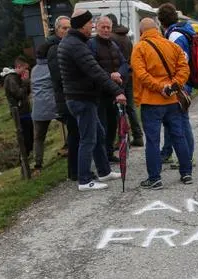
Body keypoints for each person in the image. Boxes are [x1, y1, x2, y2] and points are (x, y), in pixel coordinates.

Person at [58, 9, 126, 191]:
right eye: (90, 24)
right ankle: (84, 179)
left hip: (82, 96)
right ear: (82, 25)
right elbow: (94, 71)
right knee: (88, 139)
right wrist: (117, 91)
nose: (93, 27)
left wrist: (110, 81)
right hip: (81, 98)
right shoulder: (76, 45)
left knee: (99, 134)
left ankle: (103, 171)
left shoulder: (75, 42)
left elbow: (95, 69)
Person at [131, 17, 192, 189]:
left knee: (152, 140)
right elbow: (184, 67)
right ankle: (186, 173)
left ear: (142, 31)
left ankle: (155, 178)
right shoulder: (172, 46)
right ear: (157, 29)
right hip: (172, 101)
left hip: (151, 102)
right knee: (178, 136)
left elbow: (141, 74)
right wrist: (174, 85)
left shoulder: (139, 48)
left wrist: (159, 87)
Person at [156, 3, 195, 170]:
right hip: (185, 82)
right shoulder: (183, 30)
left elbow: (180, 62)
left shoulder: (174, 36)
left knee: (182, 121)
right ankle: (170, 152)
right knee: (174, 120)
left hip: (179, 85)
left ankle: (187, 157)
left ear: (161, 21)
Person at [89, 16, 129, 163]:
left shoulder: (113, 44)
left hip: (114, 92)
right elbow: (92, 67)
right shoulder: (91, 45)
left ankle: (109, 152)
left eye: (108, 27)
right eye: (103, 27)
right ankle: (102, 156)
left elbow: (125, 63)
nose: (106, 30)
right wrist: (110, 75)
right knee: (102, 125)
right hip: (99, 92)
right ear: (96, 27)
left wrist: (119, 73)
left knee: (113, 125)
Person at [46, 16, 79, 181]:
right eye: (63, 28)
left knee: (78, 133)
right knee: (75, 134)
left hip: (71, 95)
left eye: (69, 28)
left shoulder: (68, 46)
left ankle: (77, 169)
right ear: (57, 30)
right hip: (65, 98)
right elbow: (58, 77)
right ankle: (74, 171)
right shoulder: (54, 49)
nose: (66, 31)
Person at [107, 13, 144, 147]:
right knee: (131, 108)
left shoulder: (111, 38)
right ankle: (138, 136)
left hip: (118, 76)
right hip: (129, 74)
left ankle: (123, 138)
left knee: (118, 108)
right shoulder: (126, 37)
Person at [30, 43, 57, 174]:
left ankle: (38, 164)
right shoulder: (52, 67)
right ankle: (70, 148)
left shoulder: (34, 69)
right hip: (54, 105)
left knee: (39, 138)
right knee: (73, 127)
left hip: (38, 108)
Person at [2, 56, 33, 158]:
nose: (26, 71)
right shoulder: (11, 78)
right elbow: (19, 94)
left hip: (25, 110)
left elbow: (26, 93)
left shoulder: (17, 78)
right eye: (25, 69)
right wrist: (25, 82)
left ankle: (27, 156)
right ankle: (24, 158)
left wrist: (27, 82)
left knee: (30, 135)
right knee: (25, 137)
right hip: (19, 112)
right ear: (19, 66)